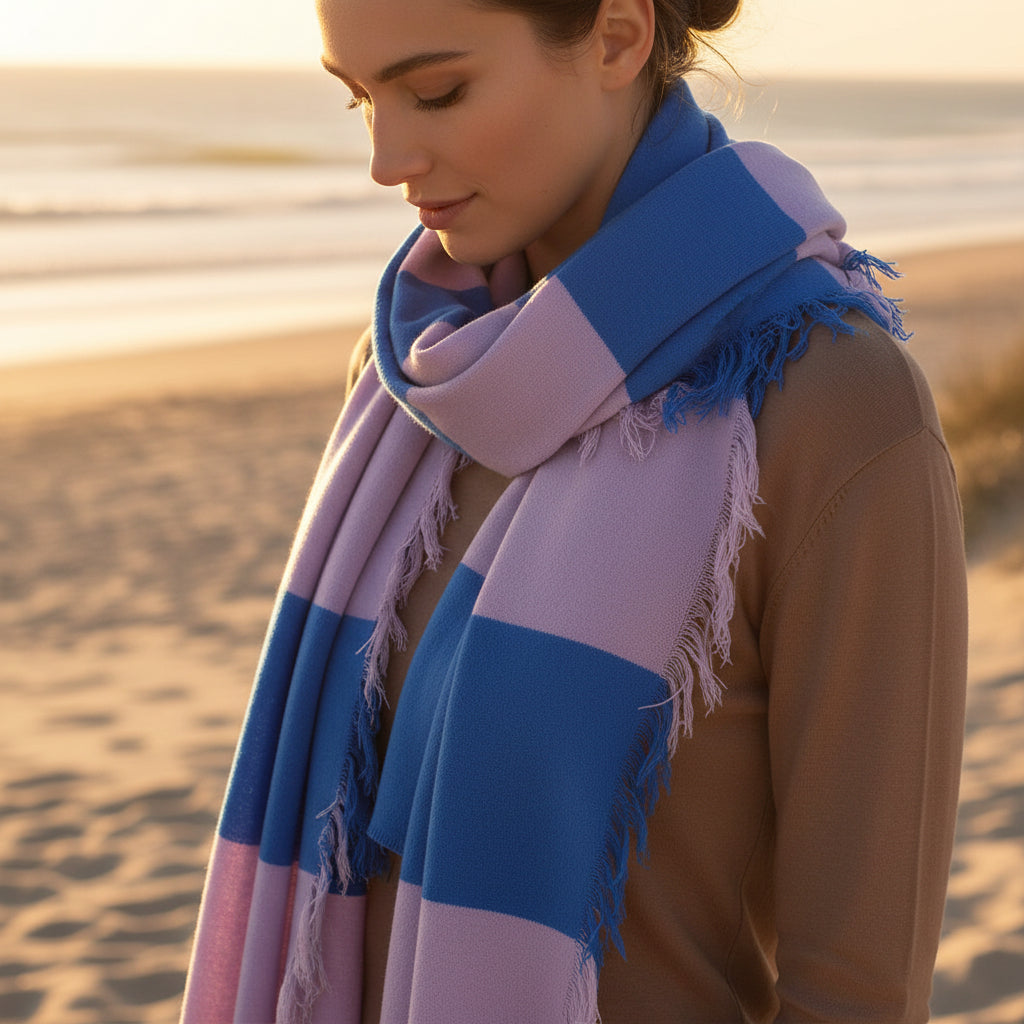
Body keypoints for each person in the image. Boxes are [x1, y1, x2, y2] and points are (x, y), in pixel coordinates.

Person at [180, 0, 968, 1020]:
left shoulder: (829, 409)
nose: (385, 158)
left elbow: (856, 991)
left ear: (616, 34)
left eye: (434, 92)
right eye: (359, 99)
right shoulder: (416, 386)